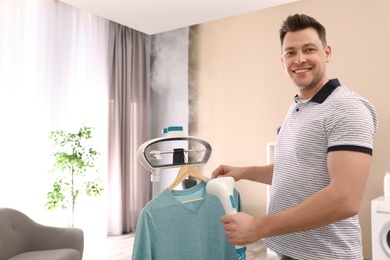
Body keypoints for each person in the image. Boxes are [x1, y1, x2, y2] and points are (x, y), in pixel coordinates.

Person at [211, 14, 378, 260]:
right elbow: (295, 169)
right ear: (282, 60)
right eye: (290, 52)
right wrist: (242, 172)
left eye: (308, 49)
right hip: (288, 252)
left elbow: (345, 199)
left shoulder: (348, 108)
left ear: (327, 52)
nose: (299, 59)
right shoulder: (298, 107)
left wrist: (259, 227)